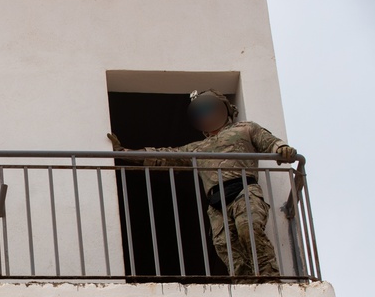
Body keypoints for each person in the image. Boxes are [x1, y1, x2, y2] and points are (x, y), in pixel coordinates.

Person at [107, 90, 298, 278]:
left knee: (248, 227)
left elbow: (269, 141)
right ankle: (245, 283)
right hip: (216, 202)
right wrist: (124, 152)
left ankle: (269, 278)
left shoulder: (246, 129)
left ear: (225, 109)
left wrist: (282, 149)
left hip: (243, 190)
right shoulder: (197, 148)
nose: (206, 115)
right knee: (225, 245)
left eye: (209, 109)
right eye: (201, 112)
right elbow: (163, 156)